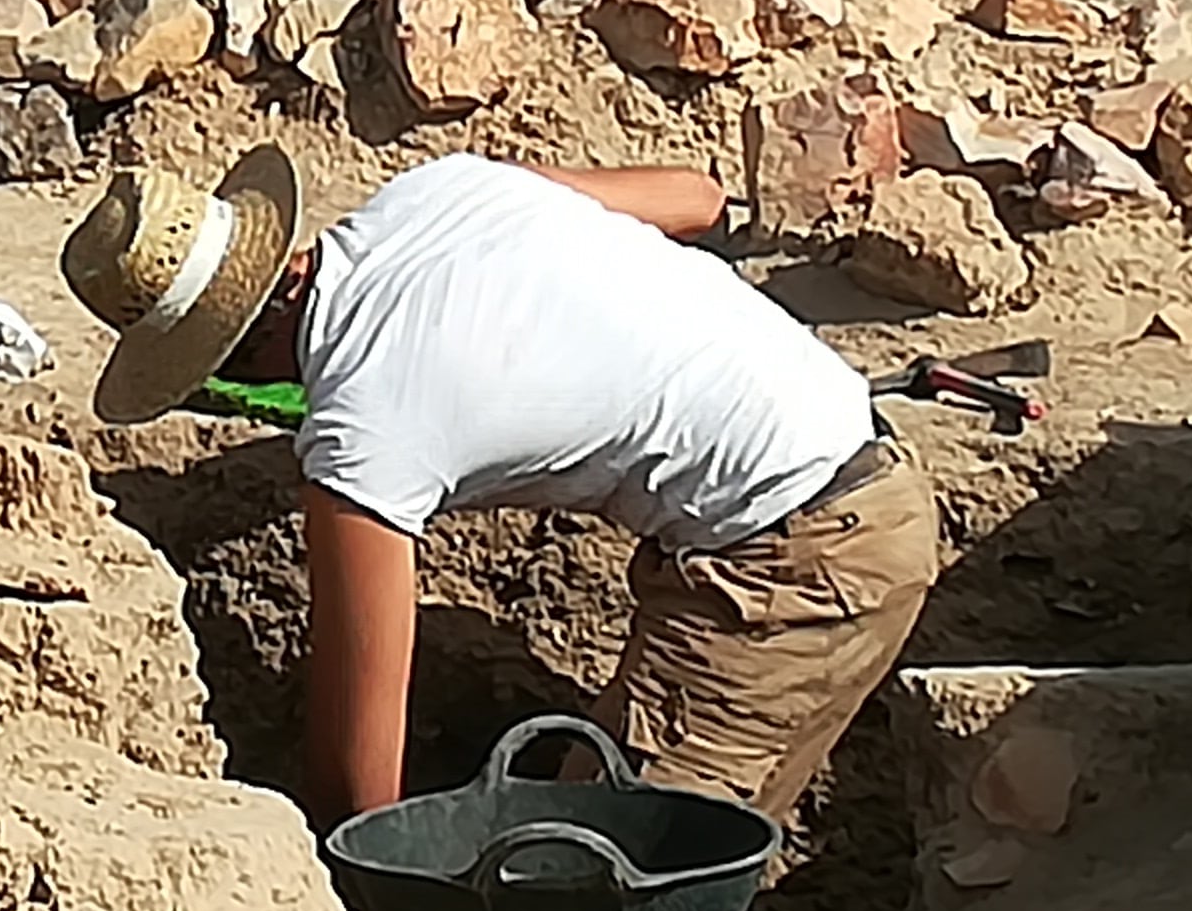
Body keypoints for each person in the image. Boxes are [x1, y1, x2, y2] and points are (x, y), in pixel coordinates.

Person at [62, 145, 937, 833]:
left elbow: (360, 762)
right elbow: (696, 196)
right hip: (866, 473)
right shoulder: (441, 188)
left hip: (794, 564)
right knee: (697, 847)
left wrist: (348, 893)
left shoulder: (363, 433)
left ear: (233, 363)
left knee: (592, 887)